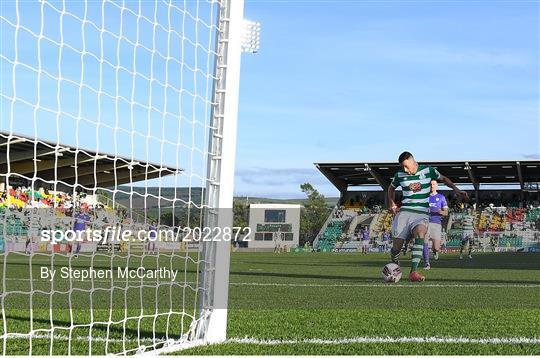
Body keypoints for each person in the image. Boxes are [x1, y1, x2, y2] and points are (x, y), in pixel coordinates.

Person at [388, 152, 467, 282]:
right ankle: (395, 261)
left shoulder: (428, 171)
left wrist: (456, 189)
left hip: (421, 213)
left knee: (420, 233)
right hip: (404, 212)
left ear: (413, 161)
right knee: (397, 247)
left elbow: (444, 178)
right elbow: (390, 189)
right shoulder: (399, 175)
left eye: (407, 166)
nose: (405, 170)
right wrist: (391, 202)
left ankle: (413, 272)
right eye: (403, 167)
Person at [425, 179, 449, 269]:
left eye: (433, 184)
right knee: (425, 242)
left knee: (436, 247)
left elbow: (446, 212)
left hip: (437, 223)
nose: (432, 186)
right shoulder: (425, 197)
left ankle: (435, 251)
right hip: (426, 223)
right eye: (431, 184)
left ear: (437, 186)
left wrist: (441, 211)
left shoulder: (441, 197)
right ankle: (427, 263)